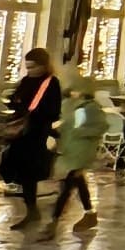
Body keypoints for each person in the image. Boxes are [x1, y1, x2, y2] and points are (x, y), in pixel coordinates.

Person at [0, 48, 63, 231]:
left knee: (30, 173)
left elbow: (53, 110)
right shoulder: (27, 80)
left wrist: (33, 113)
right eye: (27, 67)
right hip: (21, 133)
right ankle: (31, 209)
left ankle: (33, 211)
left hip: (36, 133)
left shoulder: (51, 83)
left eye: (33, 67)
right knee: (14, 168)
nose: (30, 71)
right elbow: (16, 99)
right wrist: (14, 102)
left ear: (43, 66)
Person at [40, 79, 107, 240]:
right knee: (77, 182)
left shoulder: (92, 108)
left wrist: (81, 133)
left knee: (67, 186)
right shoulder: (70, 106)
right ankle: (90, 213)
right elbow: (67, 125)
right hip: (70, 151)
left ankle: (53, 224)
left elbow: (100, 127)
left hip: (81, 153)